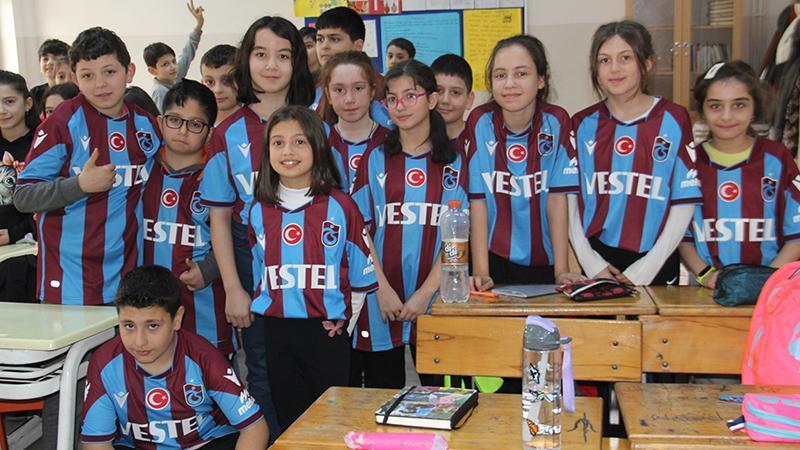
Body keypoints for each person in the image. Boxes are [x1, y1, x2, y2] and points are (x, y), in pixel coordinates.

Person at [199, 15, 313, 443]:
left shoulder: (318, 122)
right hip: (253, 265)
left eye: (283, 56)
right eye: (261, 54)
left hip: (312, 267)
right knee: (263, 370)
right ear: (246, 60)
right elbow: (220, 218)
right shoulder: (226, 133)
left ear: (296, 63)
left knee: (314, 367)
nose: (271, 65)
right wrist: (233, 288)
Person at [248, 105, 377, 428]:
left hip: (325, 331)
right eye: (278, 143)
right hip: (277, 330)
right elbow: (260, 273)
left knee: (331, 420)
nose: (287, 151)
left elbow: (361, 276)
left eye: (299, 141)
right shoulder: (258, 210)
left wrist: (344, 324)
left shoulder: (341, 206)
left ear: (317, 147)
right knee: (290, 418)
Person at [14, 26, 161, 305]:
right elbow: (24, 196)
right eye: (87, 75)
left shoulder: (146, 125)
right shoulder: (63, 122)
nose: (100, 84)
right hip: (69, 279)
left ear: (129, 72)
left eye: (109, 72)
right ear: (75, 79)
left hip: (128, 277)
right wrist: (80, 185)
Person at [350, 60, 468, 388]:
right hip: (382, 298)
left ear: (431, 100)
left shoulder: (454, 162)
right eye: (392, 98)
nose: (400, 106)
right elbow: (361, 231)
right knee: (382, 394)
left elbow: (456, 240)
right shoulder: (375, 158)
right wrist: (381, 287)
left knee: (442, 396)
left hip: (434, 297)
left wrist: (426, 293)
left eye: (410, 96)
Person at [569, 20, 702, 286]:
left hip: (656, 258)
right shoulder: (581, 124)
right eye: (604, 60)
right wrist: (591, 262)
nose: (614, 68)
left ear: (647, 63)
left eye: (625, 58)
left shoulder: (674, 118)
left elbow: (684, 200)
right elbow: (568, 201)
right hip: (598, 258)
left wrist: (648, 267)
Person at [80, 265, 268, 450]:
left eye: (152, 326)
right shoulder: (105, 363)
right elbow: (96, 444)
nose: (139, 341)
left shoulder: (203, 357)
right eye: (129, 325)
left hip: (203, 443)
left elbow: (255, 429)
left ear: (177, 319)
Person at [466, 35, 582, 293]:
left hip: (546, 261)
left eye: (521, 74)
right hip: (494, 260)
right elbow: (478, 200)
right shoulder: (479, 121)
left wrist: (561, 270)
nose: (509, 84)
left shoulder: (557, 121)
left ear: (541, 80)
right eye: (500, 75)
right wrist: (481, 272)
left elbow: (557, 200)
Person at [680, 60, 800, 288]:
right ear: (702, 110)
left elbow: (797, 233)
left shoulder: (777, 158)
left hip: (770, 289)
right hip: (707, 290)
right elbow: (680, 234)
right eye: (715, 106)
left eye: (739, 105)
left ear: (755, 107)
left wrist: (764, 280)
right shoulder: (689, 163)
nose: (727, 116)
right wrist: (705, 274)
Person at [141, 79, 237, 356]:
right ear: (160, 122)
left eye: (195, 124)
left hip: (206, 310)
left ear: (209, 133)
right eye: (175, 120)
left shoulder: (219, 176)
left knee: (208, 372)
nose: (183, 131)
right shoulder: (142, 172)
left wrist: (209, 269)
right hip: (149, 308)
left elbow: (239, 236)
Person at [320, 51, 390, 193]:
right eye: (339, 90)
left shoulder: (392, 141)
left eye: (358, 88)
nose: (349, 99)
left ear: (372, 91)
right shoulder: (319, 145)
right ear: (328, 95)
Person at [312, 6, 390, 127]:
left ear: (357, 46)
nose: (324, 46)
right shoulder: (315, 85)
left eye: (334, 39)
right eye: (320, 39)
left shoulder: (379, 87)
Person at [0, 70, 38, 302]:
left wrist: (15, 233)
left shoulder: (43, 143)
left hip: (31, 252)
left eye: (9, 102)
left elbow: (55, 200)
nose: (2, 110)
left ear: (27, 104)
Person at [144, 0, 204, 112]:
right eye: (165, 64)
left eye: (173, 61)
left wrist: (199, 24)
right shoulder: (159, 91)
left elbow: (187, 53)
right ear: (152, 70)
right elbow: (163, 118)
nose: (172, 67)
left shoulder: (174, 76)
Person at [431, 54, 475, 142]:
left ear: (469, 100)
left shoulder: (480, 140)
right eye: (438, 90)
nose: (445, 100)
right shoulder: (416, 140)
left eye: (455, 92)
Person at [29, 39, 70, 116]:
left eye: (55, 58)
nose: (49, 63)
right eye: (45, 59)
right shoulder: (36, 93)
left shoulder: (75, 91)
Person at [200, 44, 239, 125]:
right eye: (210, 82)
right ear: (202, 84)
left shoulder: (255, 125)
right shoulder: (195, 123)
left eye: (227, 81)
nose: (218, 90)